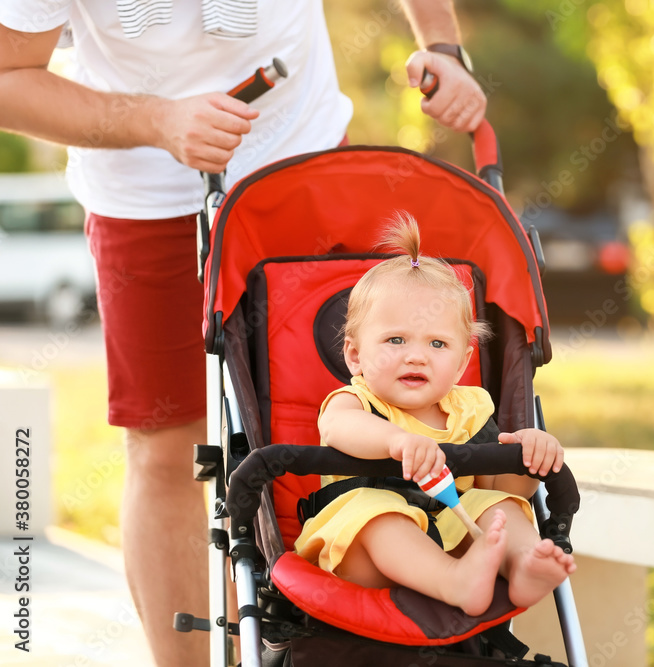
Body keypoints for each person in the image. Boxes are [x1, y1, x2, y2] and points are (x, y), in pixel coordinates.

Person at [0, 2, 486, 665]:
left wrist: (443, 47)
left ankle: (317, 647)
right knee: (165, 442)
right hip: (146, 198)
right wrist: (158, 120)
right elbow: (7, 75)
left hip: (301, 166)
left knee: (320, 422)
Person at [294, 212, 575, 616]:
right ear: (355, 355)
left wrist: (530, 457)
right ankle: (453, 582)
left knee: (498, 507)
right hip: (363, 553)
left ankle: (525, 563)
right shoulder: (356, 402)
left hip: (451, 533)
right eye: (395, 339)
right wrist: (397, 441)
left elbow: (503, 486)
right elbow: (339, 429)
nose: (416, 356)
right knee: (378, 512)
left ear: (462, 363)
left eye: (437, 344)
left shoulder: (470, 409)